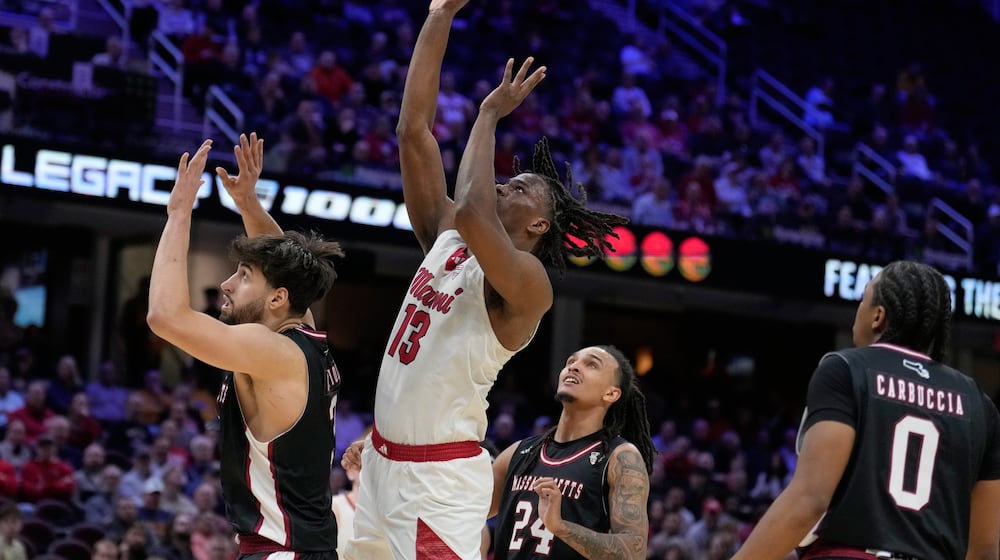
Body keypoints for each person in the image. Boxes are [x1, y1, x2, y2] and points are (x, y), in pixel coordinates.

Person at [343, 1, 627, 558]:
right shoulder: (449, 237)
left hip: (436, 482)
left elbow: (474, 208)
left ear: (540, 224)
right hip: (380, 465)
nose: (502, 186)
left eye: (519, 189)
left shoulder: (529, 283)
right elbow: (413, 132)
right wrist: (440, 15)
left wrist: (488, 116)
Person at [147, 135, 345, 558]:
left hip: (283, 550)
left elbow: (165, 317)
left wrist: (179, 213)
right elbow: (289, 270)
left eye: (243, 275)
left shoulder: (269, 351)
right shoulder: (299, 335)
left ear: (277, 298)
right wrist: (248, 202)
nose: (225, 283)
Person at [732, 261, 1000, 560]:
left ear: (878, 316)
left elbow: (810, 499)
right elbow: (985, 549)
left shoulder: (845, 369)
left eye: (863, 299)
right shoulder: (979, 403)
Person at [489, 345, 655, 559]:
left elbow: (634, 551)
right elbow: (465, 513)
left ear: (611, 393)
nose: (574, 367)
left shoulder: (619, 457)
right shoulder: (517, 453)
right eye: (571, 362)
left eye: (591, 364)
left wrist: (560, 527)